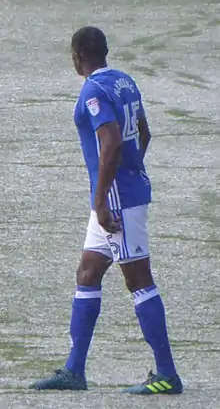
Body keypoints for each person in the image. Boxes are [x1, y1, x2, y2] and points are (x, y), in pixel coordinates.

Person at [30, 26, 183, 395]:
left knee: (139, 280)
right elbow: (143, 134)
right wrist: (130, 172)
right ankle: (74, 370)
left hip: (115, 201)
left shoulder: (93, 91)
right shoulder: (124, 82)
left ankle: (167, 374)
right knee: (88, 271)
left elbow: (111, 142)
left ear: (76, 56)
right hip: (120, 193)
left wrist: (102, 200)